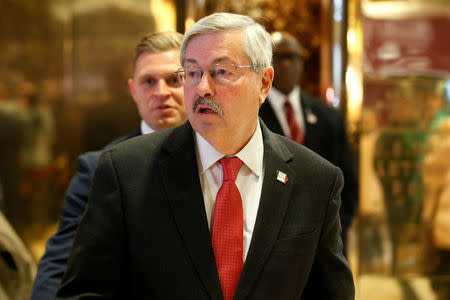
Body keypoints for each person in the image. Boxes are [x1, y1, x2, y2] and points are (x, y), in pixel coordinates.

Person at [56, 13, 354, 299]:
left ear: (263, 83)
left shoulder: (316, 179)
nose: (202, 88)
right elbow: (85, 292)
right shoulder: (126, 171)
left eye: (222, 72)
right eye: (193, 72)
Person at [30, 31, 187, 300]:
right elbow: (60, 265)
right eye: (148, 81)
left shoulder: (223, 158)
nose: (161, 92)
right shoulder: (98, 167)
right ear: (133, 90)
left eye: (174, 79)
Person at [259, 31, 358, 252]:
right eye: (278, 57)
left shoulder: (328, 117)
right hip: (270, 244)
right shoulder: (251, 116)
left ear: (301, 64)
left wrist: (336, 230)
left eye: (292, 57)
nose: (285, 64)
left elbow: (348, 182)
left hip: (325, 239)